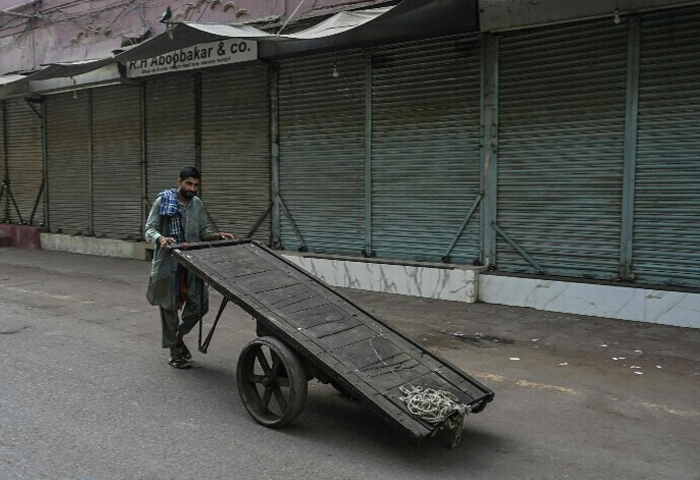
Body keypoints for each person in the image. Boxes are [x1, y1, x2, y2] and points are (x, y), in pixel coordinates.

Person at [144, 166, 234, 369]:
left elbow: (203, 231)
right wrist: (161, 238)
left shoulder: (197, 204)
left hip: (191, 264)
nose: (192, 189)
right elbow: (150, 229)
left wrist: (217, 235)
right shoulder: (163, 202)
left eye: (196, 185)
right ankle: (174, 354)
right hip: (169, 265)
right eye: (188, 184)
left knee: (200, 305)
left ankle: (177, 337)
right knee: (169, 309)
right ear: (179, 182)